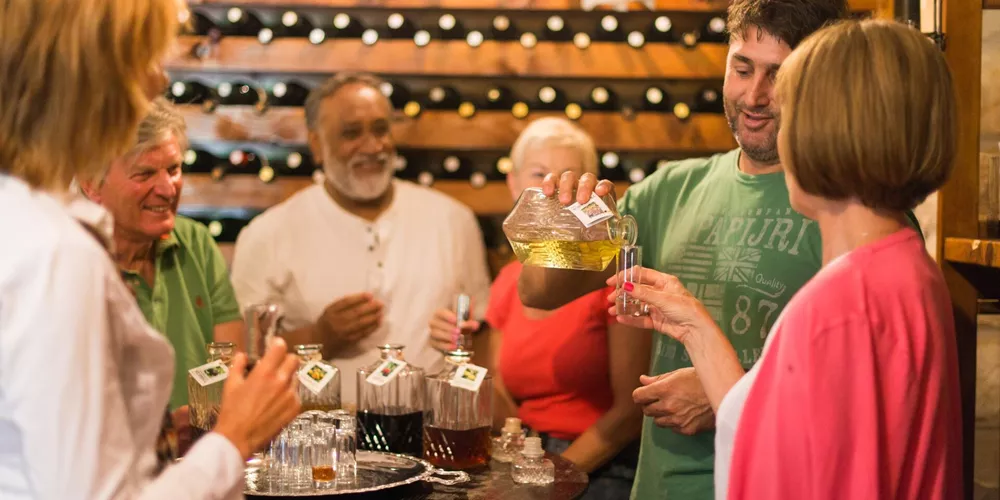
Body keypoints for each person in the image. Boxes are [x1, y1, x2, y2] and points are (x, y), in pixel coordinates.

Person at [515, 1, 891, 498]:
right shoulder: (669, 189)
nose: (754, 96)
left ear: (820, 80)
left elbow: (873, 389)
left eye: (777, 75)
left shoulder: (863, 213)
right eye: (741, 68)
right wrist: (563, 228)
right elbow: (537, 293)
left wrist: (730, 395)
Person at [611, 19, 963, 499]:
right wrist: (693, 322)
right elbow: (771, 420)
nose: (766, 115)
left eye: (792, 111)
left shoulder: (840, 304)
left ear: (831, 134)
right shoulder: (904, 269)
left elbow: (786, 470)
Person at [0, 0, 300, 497]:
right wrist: (234, 439)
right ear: (92, 77)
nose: (161, 81)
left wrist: (156, 441)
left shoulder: (22, 219)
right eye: (145, 57)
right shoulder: (58, 256)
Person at [231, 72, 492, 404]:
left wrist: (461, 339)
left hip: (436, 435)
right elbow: (246, 356)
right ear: (316, 145)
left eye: (381, 129)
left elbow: (481, 335)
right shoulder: (267, 234)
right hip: (321, 444)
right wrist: (319, 336)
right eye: (351, 133)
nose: (373, 146)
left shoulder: (453, 220)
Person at [430, 117, 652, 498]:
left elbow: (630, 414)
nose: (554, 192)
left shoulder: (616, 272)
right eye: (539, 174)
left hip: (601, 466)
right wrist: (462, 357)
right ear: (514, 184)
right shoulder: (507, 282)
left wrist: (554, 474)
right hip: (524, 454)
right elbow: (503, 404)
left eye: (568, 177)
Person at [80, 97, 244, 412]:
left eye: (173, 169)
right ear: (92, 183)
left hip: (200, 452)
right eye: (144, 174)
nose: (168, 189)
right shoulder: (74, 260)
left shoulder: (196, 242)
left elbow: (231, 369)